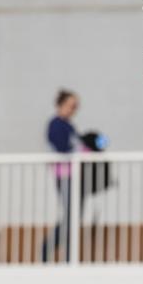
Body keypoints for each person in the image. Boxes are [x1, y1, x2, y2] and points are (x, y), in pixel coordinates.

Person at [43, 89, 79, 261]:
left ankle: (68, 255)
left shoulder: (69, 125)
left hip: (72, 175)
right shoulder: (56, 124)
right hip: (63, 175)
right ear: (61, 105)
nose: (73, 110)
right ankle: (47, 250)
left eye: (75, 107)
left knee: (72, 215)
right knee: (70, 215)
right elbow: (63, 147)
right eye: (71, 106)